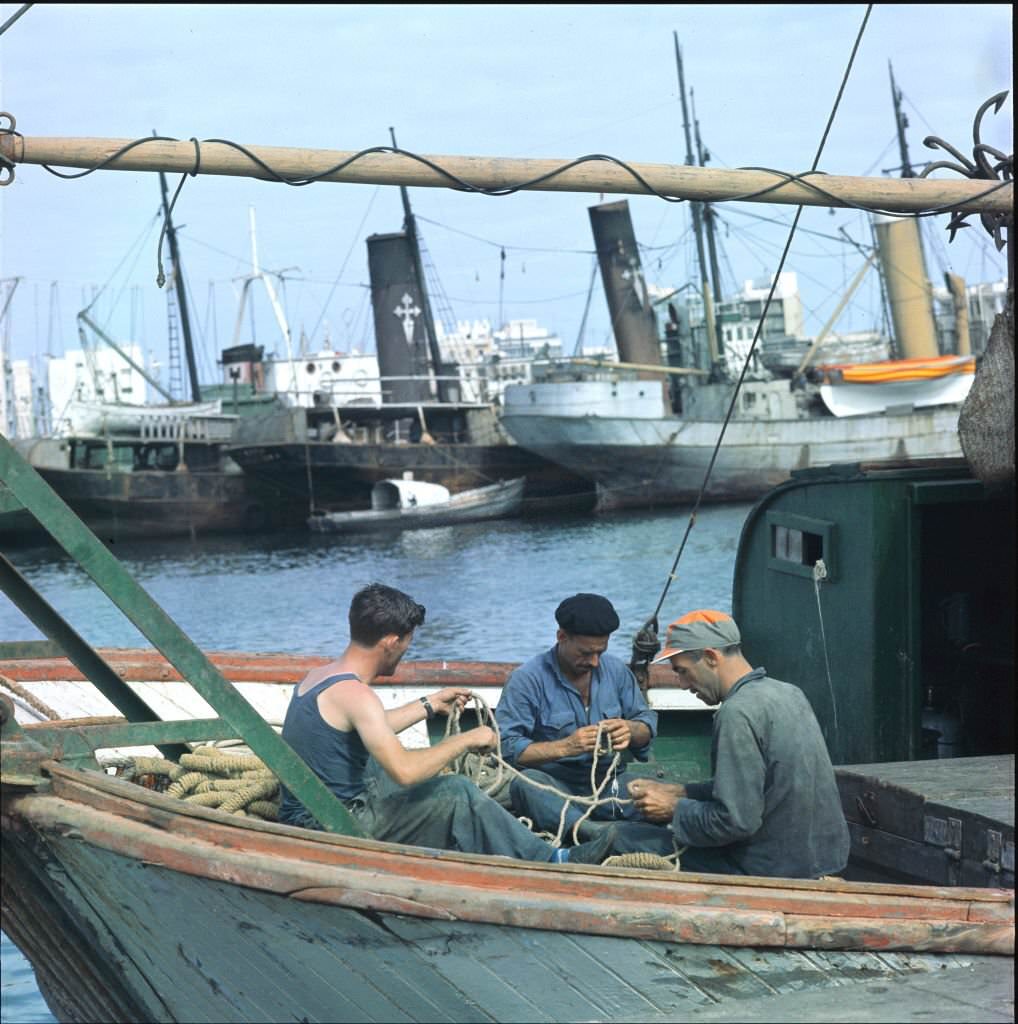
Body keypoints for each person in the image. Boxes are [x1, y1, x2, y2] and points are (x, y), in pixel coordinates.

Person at [277, 582, 617, 865]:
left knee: (381, 771)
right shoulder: (358, 695)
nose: (406, 650)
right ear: (392, 642)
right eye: (408, 641)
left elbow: (364, 726)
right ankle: (554, 861)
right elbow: (406, 772)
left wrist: (428, 704)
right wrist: (466, 740)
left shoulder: (322, 677)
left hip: (306, 812)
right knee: (455, 791)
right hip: (333, 824)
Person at [623, 609, 850, 878]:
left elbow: (735, 822)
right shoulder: (789, 693)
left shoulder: (736, 713)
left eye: (683, 672)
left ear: (710, 657)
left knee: (625, 838)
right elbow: (761, 784)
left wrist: (672, 808)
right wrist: (680, 791)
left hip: (770, 870)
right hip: (822, 859)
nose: (683, 684)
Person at [495, 592, 661, 841]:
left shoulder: (616, 671)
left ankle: (598, 831)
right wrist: (565, 747)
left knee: (663, 794)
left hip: (610, 786)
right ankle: (595, 834)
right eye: (585, 653)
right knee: (525, 785)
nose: (594, 662)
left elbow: (645, 723)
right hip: (555, 789)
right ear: (561, 637)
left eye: (600, 652)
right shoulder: (527, 680)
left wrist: (631, 730)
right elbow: (506, 748)